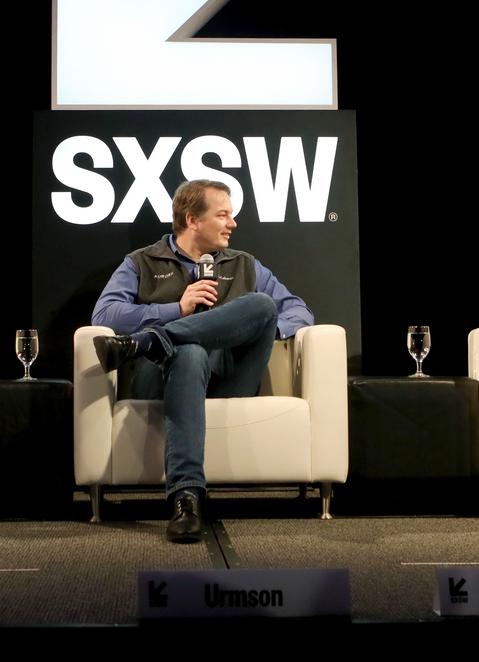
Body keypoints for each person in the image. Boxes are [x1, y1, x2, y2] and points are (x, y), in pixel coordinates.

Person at [91, 179, 313, 543]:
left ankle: (154, 341)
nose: (233, 223)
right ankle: (186, 497)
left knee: (262, 305)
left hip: (231, 377)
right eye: (223, 215)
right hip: (161, 377)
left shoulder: (245, 265)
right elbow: (105, 315)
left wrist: (250, 328)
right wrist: (176, 308)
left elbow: (300, 312)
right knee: (189, 353)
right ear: (192, 220)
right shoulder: (142, 262)